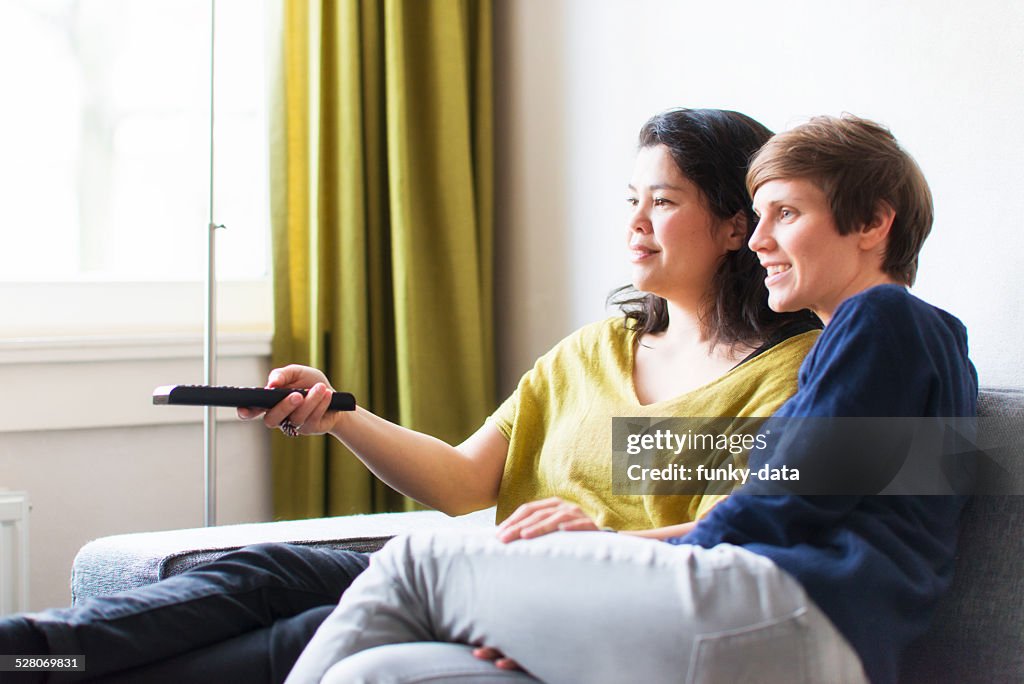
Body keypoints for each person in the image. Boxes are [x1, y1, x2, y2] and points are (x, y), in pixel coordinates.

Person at [0, 108, 819, 683]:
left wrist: (583, 546)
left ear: (732, 226)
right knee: (264, 572)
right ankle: (27, 650)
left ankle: (45, 670)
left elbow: (739, 534)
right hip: (469, 567)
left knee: (298, 637)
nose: (636, 221)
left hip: (563, 595)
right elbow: (466, 481)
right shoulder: (597, 348)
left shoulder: (793, 371)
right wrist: (340, 415)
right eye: (631, 199)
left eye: (665, 201)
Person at [284, 114, 977, 684]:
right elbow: (803, 492)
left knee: (417, 563)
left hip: (793, 612)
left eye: (786, 214)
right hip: (792, 632)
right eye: (759, 216)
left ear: (872, 225)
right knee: (380, 673)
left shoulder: (884, 321)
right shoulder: (915, 347)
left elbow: (782, 504)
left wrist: (582, 579)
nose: (760, 240)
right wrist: (578, 599)